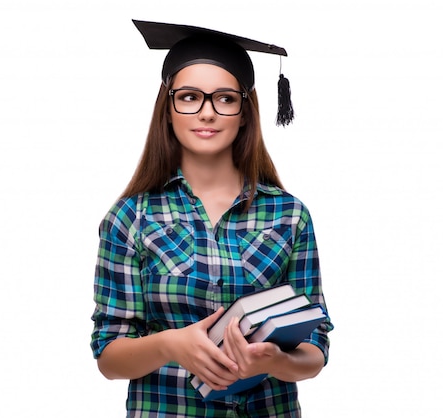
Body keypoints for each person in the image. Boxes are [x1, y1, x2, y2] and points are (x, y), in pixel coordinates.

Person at [90, 19, 333, 417]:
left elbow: (316, 347)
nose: (206, 113)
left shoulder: (290, 216)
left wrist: (272, 361)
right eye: (189, 97)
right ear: (168, 109)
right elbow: (109, 355)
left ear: (244, 111)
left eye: (224, 98)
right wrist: (171, 345)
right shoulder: (131, 217)